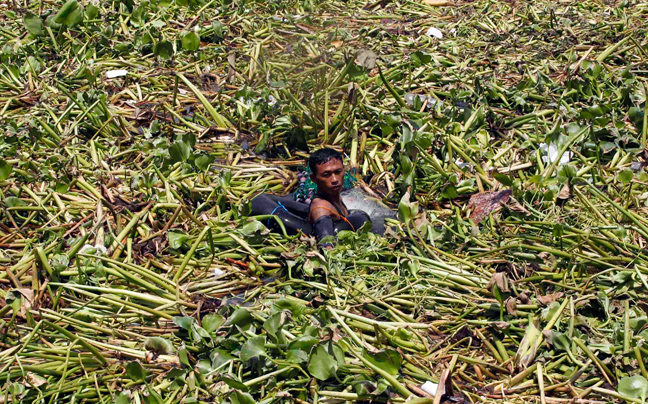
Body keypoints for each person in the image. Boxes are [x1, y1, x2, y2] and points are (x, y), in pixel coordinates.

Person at [307, 148, 370, 248]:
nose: (335, 179)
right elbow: (327, 248)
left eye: (338, 172)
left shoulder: (335, 196)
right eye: (326, 175)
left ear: (344, 170)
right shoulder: (321, 208)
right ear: (313, 178)